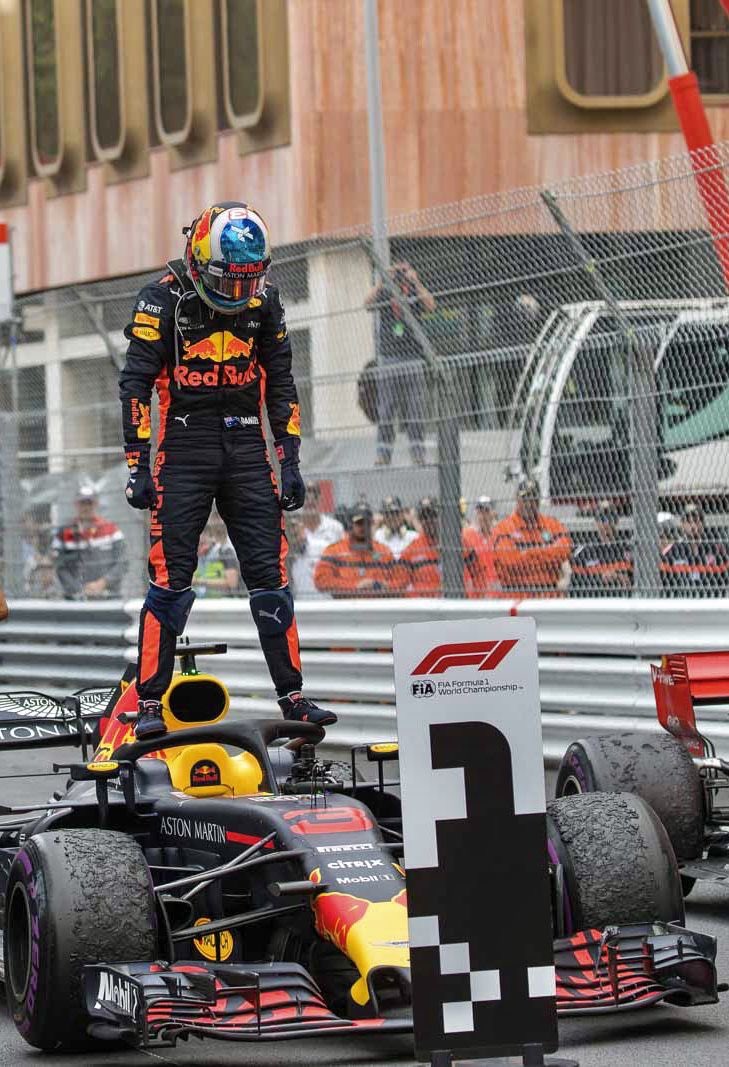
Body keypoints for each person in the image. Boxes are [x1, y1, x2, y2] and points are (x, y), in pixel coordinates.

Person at [119, 201, 335, 739]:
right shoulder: (161, 297)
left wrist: (289, 458)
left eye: (248, 281)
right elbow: (135, 383)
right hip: (185, 444)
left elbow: (282, 383)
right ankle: (149, 703)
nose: (239, 293)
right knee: (170, 579)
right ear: (199, 258)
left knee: (271, 577)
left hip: (245, 446)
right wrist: (136, 464)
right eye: (228, 280)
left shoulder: (266, 300)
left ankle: (294, 696)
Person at [365, 261, 436, 467]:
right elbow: (367, 304)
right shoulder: (386, 290)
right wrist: (382, 281)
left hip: (413, 356)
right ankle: (383, 453)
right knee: (386, 408)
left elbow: (431, 306)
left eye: (404, 272)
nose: (401, 276)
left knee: (416, 407)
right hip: (389, 356)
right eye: (398, 272)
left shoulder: (414, 289)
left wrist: (416, 282)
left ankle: (418, 452)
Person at [490, 478, 572, 597]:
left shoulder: (552, 524)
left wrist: (526, 553)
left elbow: (564, 551)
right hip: (517, 596)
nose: (529, 504)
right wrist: (547, 553)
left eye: (533, 498)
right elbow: (510, 562)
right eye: (524, 499)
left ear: (539, 500)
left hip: (549, 596)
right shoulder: (503, 528)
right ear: (517, 499)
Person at [400, 497, 490, 598]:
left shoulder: (457, 543)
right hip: (425, 607)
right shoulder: (412, 549)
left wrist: (475, 598)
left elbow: (478, 573)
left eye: (433, 516)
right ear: (420, 520)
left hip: (455, 603)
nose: (429, 520)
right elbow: (401, 583)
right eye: (424, 517)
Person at [313, 503, 404, 598]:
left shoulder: (383, 551)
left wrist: (383, 585)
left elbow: (400, 580)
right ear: (350, 524)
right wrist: (355, 586)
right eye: (359, 523)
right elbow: (321, 580)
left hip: (377, 607)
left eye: (367, 522)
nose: (364, 526)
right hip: (346, 607)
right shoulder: (335, 551)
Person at [52, 487, 127, 600]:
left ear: (96, 504)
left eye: (89, 503)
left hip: (109, 598)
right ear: (76, 505)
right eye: (82, 503)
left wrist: (102, 583)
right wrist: (80, 590)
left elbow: (123, 562)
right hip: (75, 600)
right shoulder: (64, 533)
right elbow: (60, 567)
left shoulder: (111, 530)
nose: (86, 507)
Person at [288, 482, 344, 596]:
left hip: (329, 595)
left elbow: (343, 559)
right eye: (306, 496)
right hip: (301, 595)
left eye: (314, 495)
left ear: (320, 498)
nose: (310, 500)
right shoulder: (293, 530)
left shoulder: (335, 527)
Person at [661, 503, 729, 597]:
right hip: (681, 602)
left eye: (696, 521)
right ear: (682, 524)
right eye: (689, 521)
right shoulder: (672, 551)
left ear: (703, 523)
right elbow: (665, 583)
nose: (693, 526)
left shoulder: (717, 549)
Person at [570, 499, 632, 597]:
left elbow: (639, 579)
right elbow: (575, 582)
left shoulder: (628, 548)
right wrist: (600, 579)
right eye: (602, 519)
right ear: (596, 522)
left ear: (616, 522)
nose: (606, 524)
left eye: (611, 519)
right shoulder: (585, 550)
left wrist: (618, 577)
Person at [193, 512, 241, 598]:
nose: (199, 548)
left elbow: (232, 583)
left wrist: (198, 582)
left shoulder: (225, 551)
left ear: (209, 536)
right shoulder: (195, 555)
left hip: (224, 604)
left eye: (202, 543)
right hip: (201, 603)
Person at [462, 495, 498, 594]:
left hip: (496, 590)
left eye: (486, 511)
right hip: (474, 591)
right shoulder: (466, 535)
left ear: (493, 514)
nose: (482, 515)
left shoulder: (499, 535)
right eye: (480, 511)